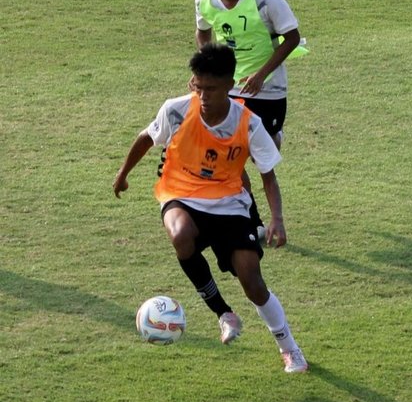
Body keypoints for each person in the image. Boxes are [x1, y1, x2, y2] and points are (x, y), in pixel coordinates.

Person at [113, 43, 308, 374]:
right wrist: (122, 174)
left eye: (212, 89)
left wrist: (277, 219)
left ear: (229, 85)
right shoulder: (176, 110)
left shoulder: (248, 124)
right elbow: (146, 137)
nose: (203, 96)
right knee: (180, 234)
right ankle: (223, 313)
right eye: (198, 86)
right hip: (180, 193)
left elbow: (268, 176)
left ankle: (289, 348)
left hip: (230, 204)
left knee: (252, 281)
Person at [194, 0, 307, 236]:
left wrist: (260, 74)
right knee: (234, 156)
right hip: (230, 89)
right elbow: (203, 32)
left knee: (262, 156)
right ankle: (254, 220)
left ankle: (274, 136)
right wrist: (206, 70)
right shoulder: (205, 1)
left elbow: (292, 38)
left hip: (268, 90)